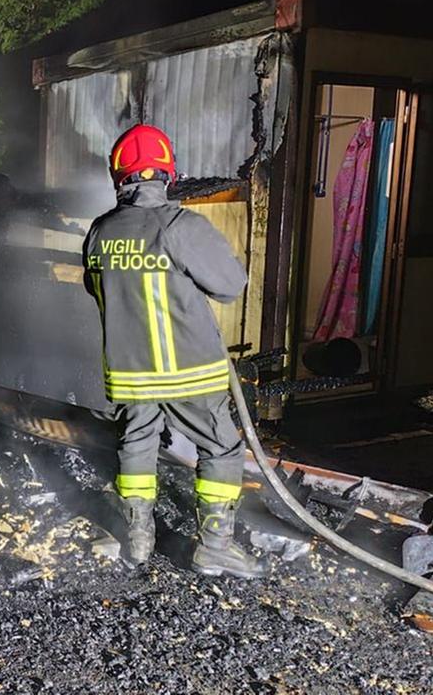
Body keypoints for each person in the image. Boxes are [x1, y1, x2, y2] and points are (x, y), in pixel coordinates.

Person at [82, 124, 265, 578]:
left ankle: (138, 540)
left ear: (118, 175)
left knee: (136, 444)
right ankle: (215, 548)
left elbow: (95, 287)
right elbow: (229, 286)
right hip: (190, 370)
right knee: (221, 448)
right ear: (168, 173)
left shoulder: (101, 232)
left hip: (129, 373)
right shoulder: (182, 226)